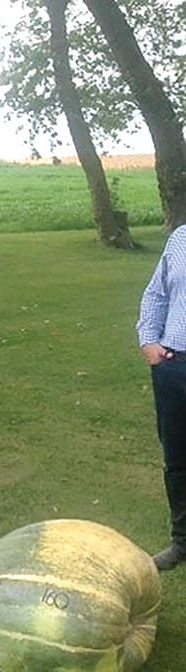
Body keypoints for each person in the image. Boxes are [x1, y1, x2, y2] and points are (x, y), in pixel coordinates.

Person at [137, 226, 186, 571]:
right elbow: (156, 294)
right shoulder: (181, 239)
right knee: (178, 460)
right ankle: (182, 541)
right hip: (173, 366)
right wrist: (149, 341)